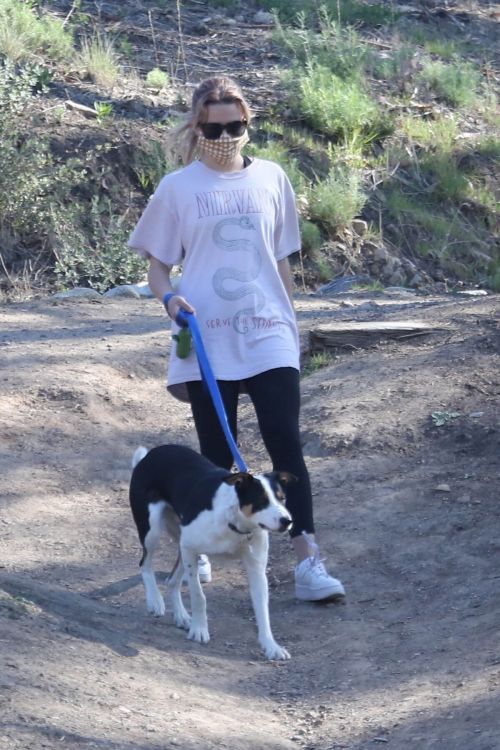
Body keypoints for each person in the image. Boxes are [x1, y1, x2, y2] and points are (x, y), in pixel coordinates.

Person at [128, 76, 345, 602]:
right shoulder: (178, 188)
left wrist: (291, 325)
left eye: (235, 125)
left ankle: (308, 562)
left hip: (268, 331)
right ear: (196, 126)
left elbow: (280, 260)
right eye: (213, 127)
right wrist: (169, 299)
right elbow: (159, 267)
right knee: (216, 456)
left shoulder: (272, 177)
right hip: (207, 335)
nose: (225, 135)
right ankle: (198, 548)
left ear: (248, 123)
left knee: (286, 446)